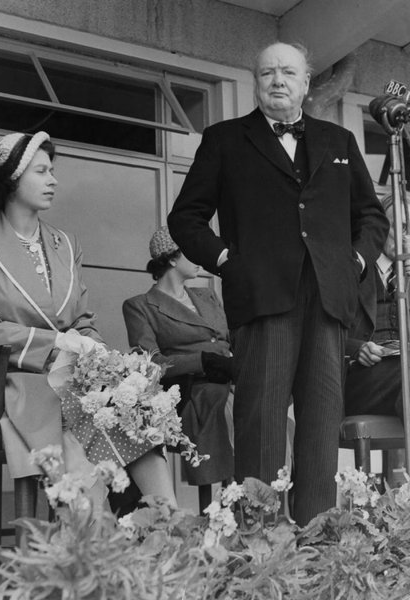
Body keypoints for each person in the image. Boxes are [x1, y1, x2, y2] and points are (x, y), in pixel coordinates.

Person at [167, 42, 389, 525]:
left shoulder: (338, 141)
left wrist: (352, 262)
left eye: (288, 72)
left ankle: (316, 541)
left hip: (328, 300)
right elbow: (185, 218)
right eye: (267, 72)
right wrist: (227, 260)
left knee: (320, 428)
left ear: (306, 82)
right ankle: (258, 543)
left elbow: (371, 217)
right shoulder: (225, 139)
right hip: (262, 298)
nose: (277, 81)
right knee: (261, 425)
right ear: (256, 82)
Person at [0, 131, 177, 508]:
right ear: (11, 179)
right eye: (41, 171)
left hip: (72, 374)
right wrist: (56, 342)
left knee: (132, 407)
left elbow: (83, 322)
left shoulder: (67, 244)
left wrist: (103, 362)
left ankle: (169, 524)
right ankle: (93, 531)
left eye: (52, 171)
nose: (53, 180)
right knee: (81, 411)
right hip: (11, 378)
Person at [122, 226, 234, 489]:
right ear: (171, 259)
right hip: (192, 388)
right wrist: (203, 361)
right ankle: (234, 494)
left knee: (270, 402)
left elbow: (230, 337)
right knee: (227, 406)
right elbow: (151, 364)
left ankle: (266, 486)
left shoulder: (206, 295)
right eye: (192, 251)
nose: (201, 257)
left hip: (232, 376)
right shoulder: (140, 306)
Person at [345, 193, 405, 422]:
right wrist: (356, 348)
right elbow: (323, 330)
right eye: (401, 226)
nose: (406, 235)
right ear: (380, 227)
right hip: (362, 377)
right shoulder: (352, 268)